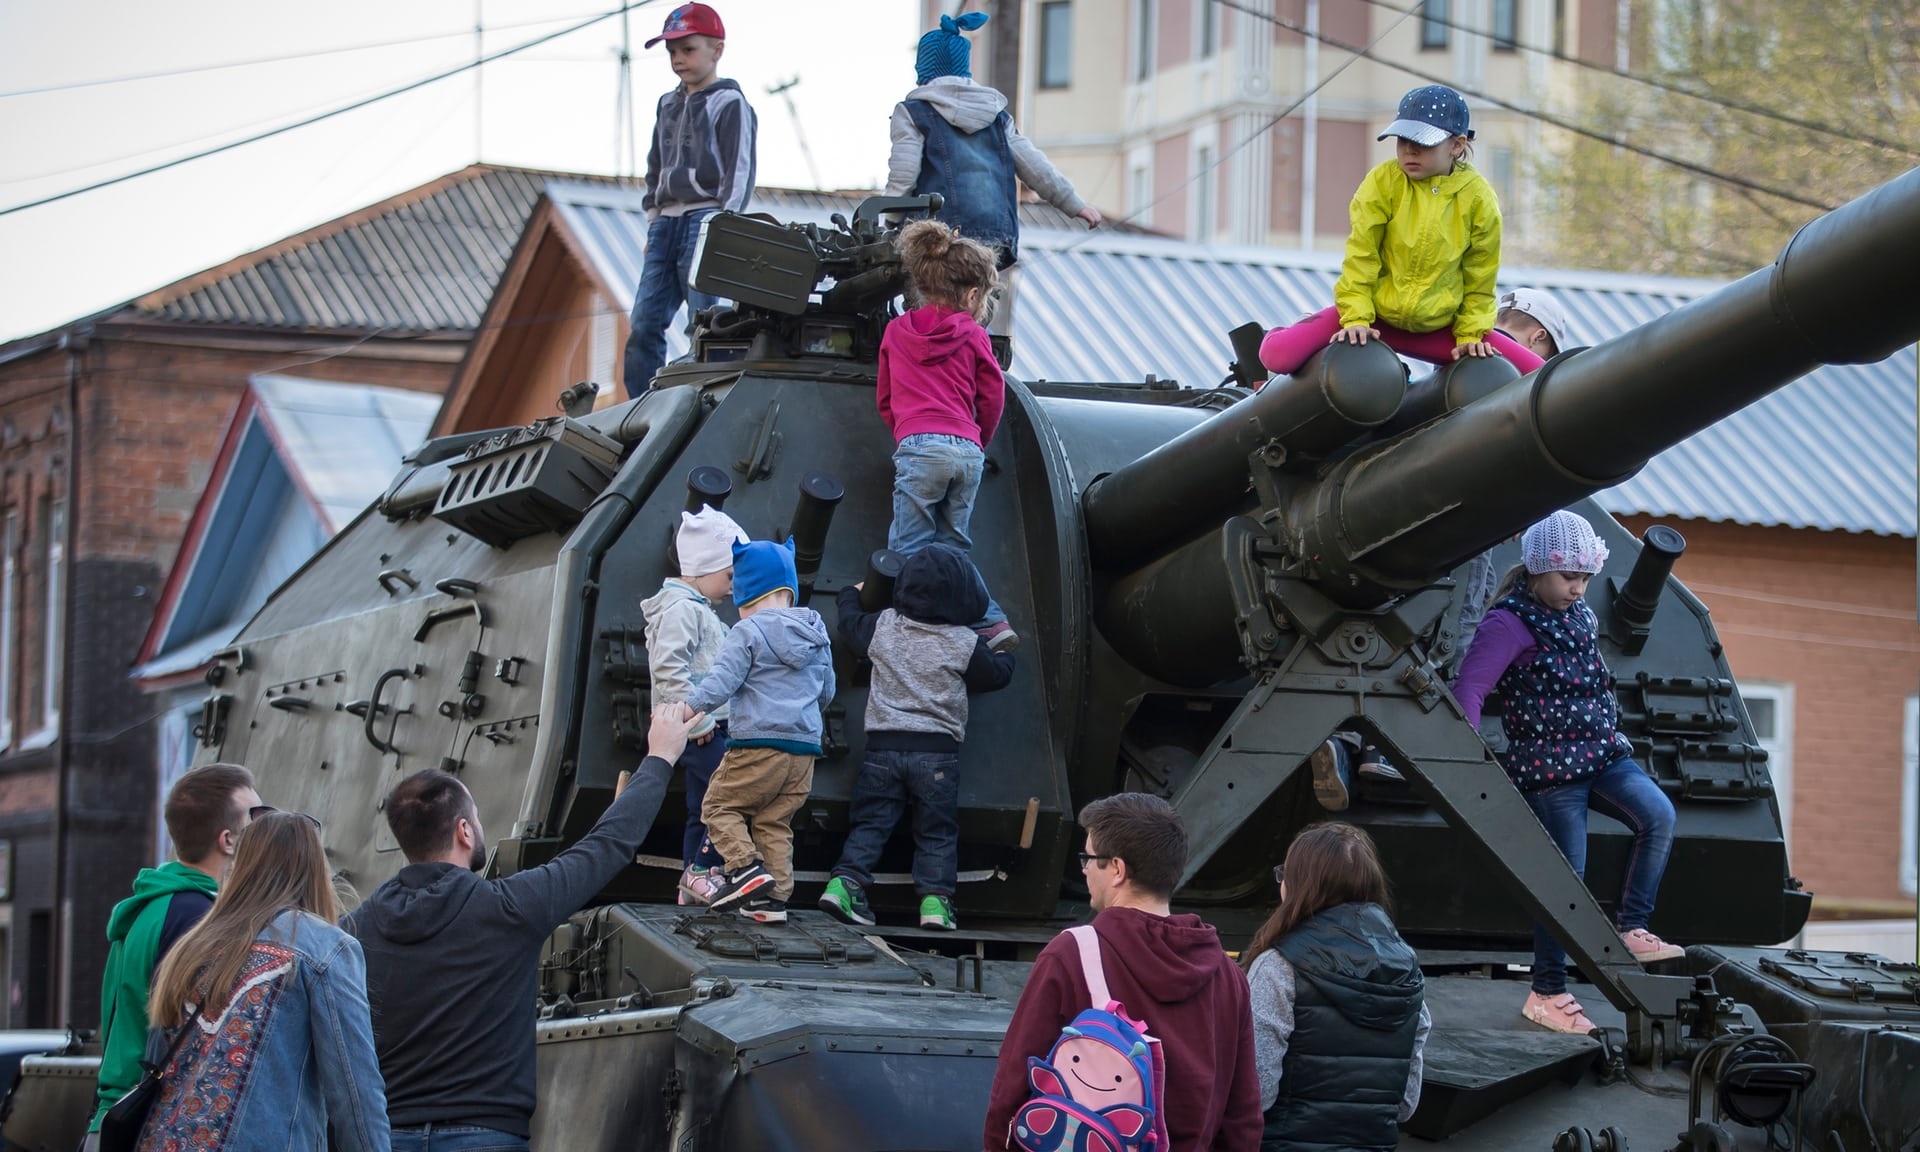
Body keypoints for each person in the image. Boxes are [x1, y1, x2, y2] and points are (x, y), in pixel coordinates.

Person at [345, 703, 704, 1150]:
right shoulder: (508, 908)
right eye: (474, 817)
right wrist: (661, 757)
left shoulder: (354, 930)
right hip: (485, 1137)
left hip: (386, 1136)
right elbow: (607, 846)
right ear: (464, 831)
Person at [1453, 509, 1683, 1034]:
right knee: (1563, 884)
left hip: (1603, 755)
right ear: (1537, 569)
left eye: (1585, 576)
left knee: (1658, 816)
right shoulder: (1507, 623)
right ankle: (1547, 992)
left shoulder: (1580, 615)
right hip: (1552, 772)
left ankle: (1632, 927)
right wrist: (1466, 757)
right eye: (1568, 576)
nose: (1578, 588)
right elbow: (1471, 688)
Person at [984, 794, 1262, 1152]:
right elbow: (1242, 1116)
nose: (1083, 869)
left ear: (1117, 869)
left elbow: (1012, 1088)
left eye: (1088, 858)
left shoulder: (1072, 954)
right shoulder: (1228, 975)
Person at [138, 811, 389, 1152]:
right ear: (314, 870)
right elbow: (355, 1093)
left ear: (240, 868)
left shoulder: (189, 949)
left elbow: (153, 1071)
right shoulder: (326, 946)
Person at [1260, 86, 1542, 378]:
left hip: (1440, 328)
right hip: (1376, 318)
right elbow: (1362, 256)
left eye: (1423, 142)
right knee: (1277, 355)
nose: (1409, 150)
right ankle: (1290, 328)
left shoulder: (1479, 199)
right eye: (1403, 140)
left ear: (1457, 145)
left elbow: (1480, 275)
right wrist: (1356, 317)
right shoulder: (1383, 182)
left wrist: (1471, 334)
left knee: (1538, 373)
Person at [818, 544, 1015, 932]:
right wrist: (1006, 650)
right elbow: (996, 675)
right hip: (937, 756)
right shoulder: (962, 642)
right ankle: (935, 905)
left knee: (871, 823)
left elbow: (850, 625)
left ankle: (844, 886)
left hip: (881, 750)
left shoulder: (885, 625)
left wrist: (850, 594)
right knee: (936, 831)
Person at [85, 764, 261, 1151]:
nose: (266, 832)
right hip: (154, 1128)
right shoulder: (197, 919)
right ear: (228, 841)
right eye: (258, 820)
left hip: (115, 1119)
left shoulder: (151, 906)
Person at [1243, 823, 1430, 1151]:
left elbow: (1255, 1096)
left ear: (1302, 885)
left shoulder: (1278, 966)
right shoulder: (1408, 972)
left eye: (1286, 873)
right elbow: (1405, 1105)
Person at [878, 219, 1018, 653]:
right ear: (973, 296)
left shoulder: (897, 332)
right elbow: (993, 395)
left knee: (908, 545)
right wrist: (979, 439)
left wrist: (907, 434)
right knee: (953, 543)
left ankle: (910, 634)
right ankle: (990, 624)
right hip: (968, 451)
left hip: (920, 446)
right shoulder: (975, 335)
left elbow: (885, 397)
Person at [679, 538, 836, 921]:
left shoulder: (747, 632)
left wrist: (685, 709)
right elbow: (827, 692)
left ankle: (745, 868)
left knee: (718, 806)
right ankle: (772, 901)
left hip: (757, 745)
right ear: (790, 590)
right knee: (774, 821)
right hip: (803, 752)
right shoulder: (817, 633)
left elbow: (721, 682)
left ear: (745, 595)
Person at [883, 12, 1101, 269]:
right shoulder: (998, 118)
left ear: (924, 68)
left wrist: (892, 218)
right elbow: (1036, 167)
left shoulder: (912, 112)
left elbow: (904, 173)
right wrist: (1075, 204)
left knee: (930, 303)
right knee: (975, 302)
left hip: (937, 238)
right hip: (994, 237)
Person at [622, 2, 757, 395]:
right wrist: (653, 217)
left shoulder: (729, 102)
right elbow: (655, 165)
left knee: (705, 319)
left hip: (705, 218)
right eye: (672, 52)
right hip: (666, 222)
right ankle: (642, 403)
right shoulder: (666, 103)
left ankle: (707, 398)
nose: (678, 59)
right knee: (644, 321)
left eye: (688, 49)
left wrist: (725, 224)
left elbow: (740, 170)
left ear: (717, 50)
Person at [643, 504, 748, 904]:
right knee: (730, 794)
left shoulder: (698, 610)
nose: (733, 586)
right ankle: (703, 871)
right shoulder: (682, 611)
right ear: (703, 568)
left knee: (700, 806)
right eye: (729, 576)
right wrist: (698, 724)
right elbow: (668, 670)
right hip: (694, 729)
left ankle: (693, 879)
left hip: (702, 726)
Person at [1495, 287, 1570, 362]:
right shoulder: (1514, 370)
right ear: (1537, 337)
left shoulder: (1484, 344)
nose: (1545, 362)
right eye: (1546, 357)